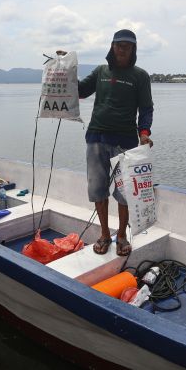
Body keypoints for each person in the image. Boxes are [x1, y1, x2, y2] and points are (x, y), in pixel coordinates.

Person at [61, 29, 153, 256]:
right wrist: (65, 68)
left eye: (128, 46)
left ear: (133, 49)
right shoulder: (101, 71)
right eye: (119, 45)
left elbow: (146, 108)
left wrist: (144, 133)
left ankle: (121, 236)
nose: (123, 49)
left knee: (124, 192)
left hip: (126, 141)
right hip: (96, 137)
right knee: (97, 188)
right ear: (112, 46)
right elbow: (81, 92)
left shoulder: (140, 76)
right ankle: (104, 235)